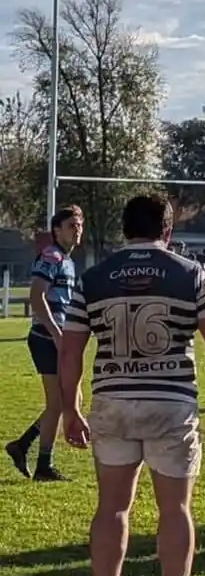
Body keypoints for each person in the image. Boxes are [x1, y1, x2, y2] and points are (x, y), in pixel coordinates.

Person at [59, 195, 205, 576]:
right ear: (168, 231)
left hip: (113, 401)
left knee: (112, 508)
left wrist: (70, 407)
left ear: (125, 230)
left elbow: (70, 349)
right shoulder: (189, 273)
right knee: (174, 508)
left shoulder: (95, 277)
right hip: (170, 403)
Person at [5, 206, 83, 481]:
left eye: (80, 224)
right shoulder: (51, 255)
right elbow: (37, 297)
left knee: (63, 401)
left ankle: (26, 449)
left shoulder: (68, 260)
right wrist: (57, 334)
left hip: (58, 336)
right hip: (46, 337)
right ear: (57, 230)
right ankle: (41, 463)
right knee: (59, 402)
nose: (78, 229)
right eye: (72, 224)